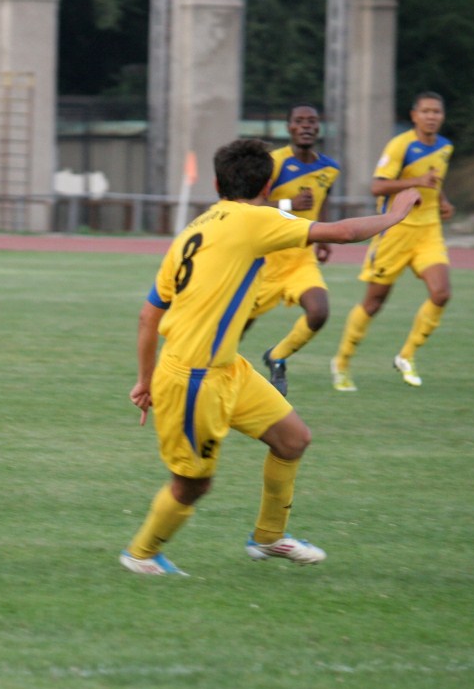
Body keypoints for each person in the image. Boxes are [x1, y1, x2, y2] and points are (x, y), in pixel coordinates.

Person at [119, 138, 420, 575]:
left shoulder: (195, 227)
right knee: (192, 484)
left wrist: (145, 378)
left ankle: (268, 537)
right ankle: (141, 554)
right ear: (267, 184)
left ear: (217, 183)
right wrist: (396, 213)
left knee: (292, 439)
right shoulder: (255, 220)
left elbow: (149, 315)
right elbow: (341, 232)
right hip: (194, 377)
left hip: (226, 368)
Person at [331, 91, 454, 391]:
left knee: (441, 293)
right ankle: (342, 362)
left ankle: (406, 355)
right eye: (425, 111)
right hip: (395, 231)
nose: (431, 116)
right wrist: (417, 182)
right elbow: (377, 187)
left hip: (428, 231)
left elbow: (433, 181)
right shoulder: (401, 146)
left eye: (436, 111)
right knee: (374, 302)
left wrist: (442, 200)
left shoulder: (445, 147)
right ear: (414, 116)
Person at [245, 104, 341, 396]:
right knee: (236, 328)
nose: (306, 126)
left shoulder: (329, 168)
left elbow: (322, 200)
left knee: (319, 312)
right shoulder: (274, 163)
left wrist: (323, 237)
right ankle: (207, 372)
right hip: (265, 261)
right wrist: (290, 204)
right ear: (289, 128)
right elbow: (249, 204)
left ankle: (277, 356)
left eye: (312, 121)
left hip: (301, 259)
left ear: (319, 127)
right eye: (299, 121)